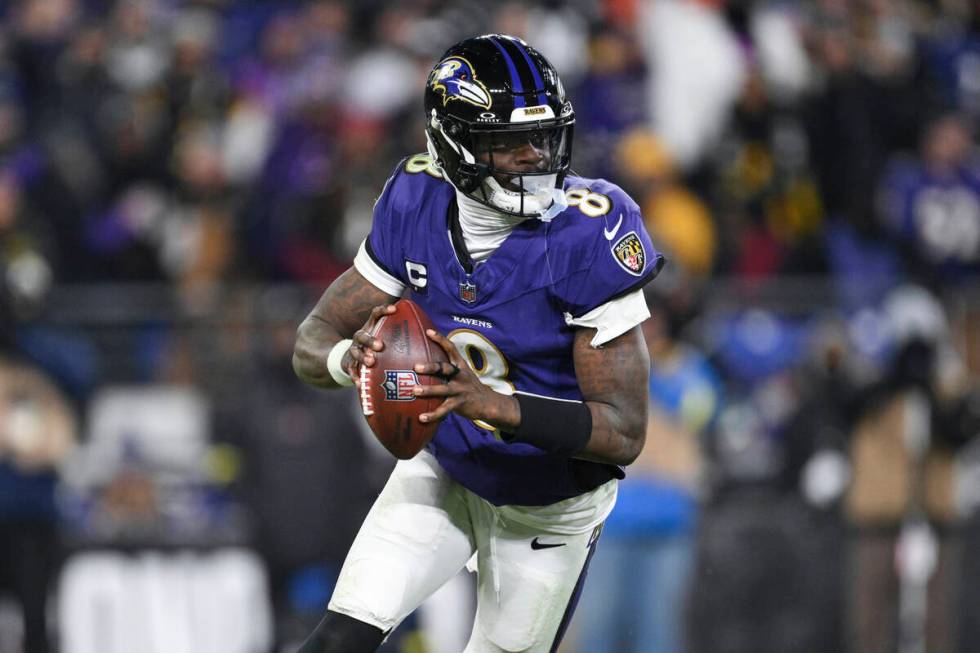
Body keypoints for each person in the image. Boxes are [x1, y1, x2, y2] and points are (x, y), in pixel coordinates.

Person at [292, 34, 664, 653]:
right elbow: (312, 339)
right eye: (507, 141)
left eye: (542, 137)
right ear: (453, 143)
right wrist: (345, 360)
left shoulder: (591, 232)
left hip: (548, 507)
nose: (533, 156)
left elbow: (624, 430)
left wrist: (492, 404)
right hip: (446, 470)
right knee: (336, 642)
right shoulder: (414, 198)